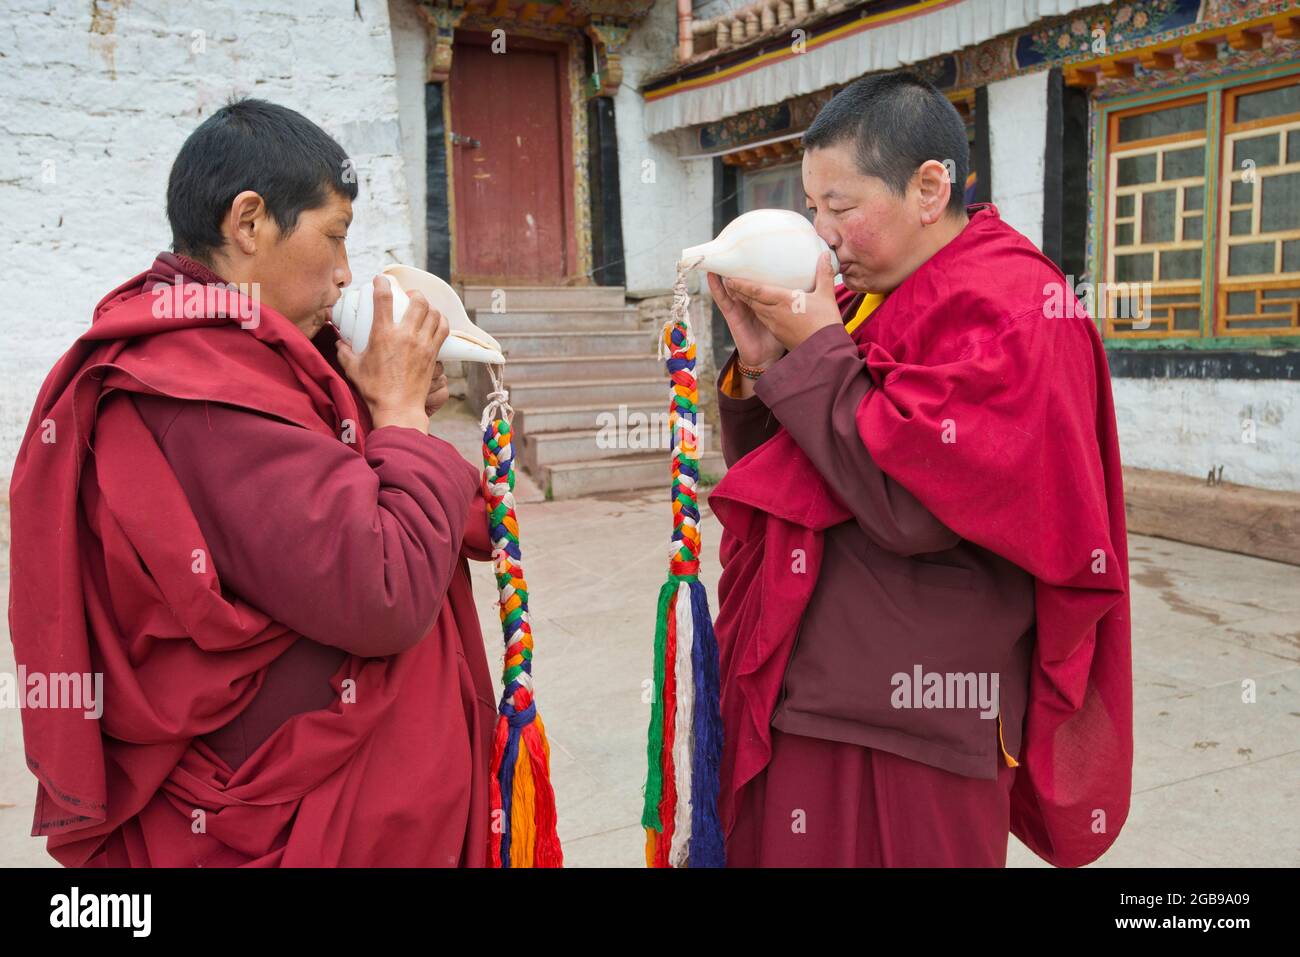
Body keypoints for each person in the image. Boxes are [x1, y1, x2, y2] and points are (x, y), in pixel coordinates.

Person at [7, 99, 498, 866]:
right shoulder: (198, 382)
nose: (344, 272)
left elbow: (331, 502)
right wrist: (399, 417)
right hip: (287, 807)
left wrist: (383, 422)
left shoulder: (249, 356)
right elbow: (382, 588)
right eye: (334, 236)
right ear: (248, 222)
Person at [707, 71, 1133, 867]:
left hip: (915, 723)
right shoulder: (872, 296)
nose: (823, 235)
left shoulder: (1015, 307)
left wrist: (821, 352)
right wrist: (768, 366)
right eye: (813, 209)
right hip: (807, 692)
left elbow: (912, 501)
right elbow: (801, 481)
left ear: (930, 187)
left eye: (841, 208)